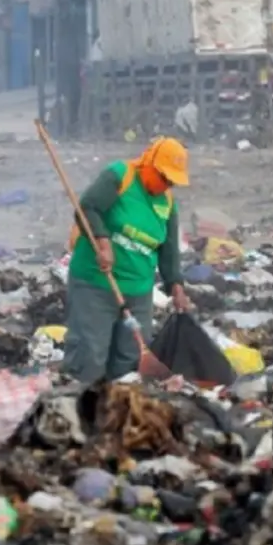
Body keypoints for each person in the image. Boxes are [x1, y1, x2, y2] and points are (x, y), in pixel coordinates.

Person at [62, 137, 190, 385]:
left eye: (171, 182)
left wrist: (175, 285)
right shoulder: (121, 176)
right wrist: (103, 243)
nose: (166, 185)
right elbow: (87, 208)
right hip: (96, 284)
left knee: (130, 360)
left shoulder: (167, 203)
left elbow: (169, 248)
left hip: (138, 292)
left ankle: (117, 405)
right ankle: (82, 404)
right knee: (90, 355)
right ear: (149, 163)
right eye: (163, 177)